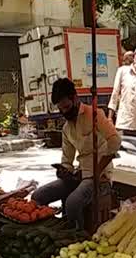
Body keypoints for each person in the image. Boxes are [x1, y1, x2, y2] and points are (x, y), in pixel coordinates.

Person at [33, 78, 122, 229]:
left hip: (100, 176)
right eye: (61, 110)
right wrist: (63, 171)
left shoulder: (95, 115)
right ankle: (51, 232)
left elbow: (115, 141)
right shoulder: (67, 128)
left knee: (72, 204)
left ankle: (76, 236)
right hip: (79, 175)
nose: (64, 112)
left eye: (66, 107)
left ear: (75, 98)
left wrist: (97, 171)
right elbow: (67, 160)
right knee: (38, 196)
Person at [108, 44, 136, 138]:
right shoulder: (123, 71)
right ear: (135, 55)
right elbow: (115, 95)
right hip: (124, 124)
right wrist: (110, 118)